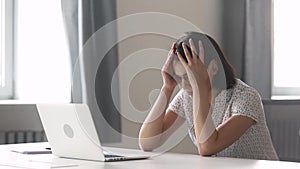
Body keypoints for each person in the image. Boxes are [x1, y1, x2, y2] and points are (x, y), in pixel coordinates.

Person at [138, 32, 278, 160]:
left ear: (214, 67)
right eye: (179, 78)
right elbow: (147, 142)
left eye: (189, 76)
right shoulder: (186, 96)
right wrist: (167, 87)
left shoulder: (246, 97)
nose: (185, 85)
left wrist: (200, 88)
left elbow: (207, 147)